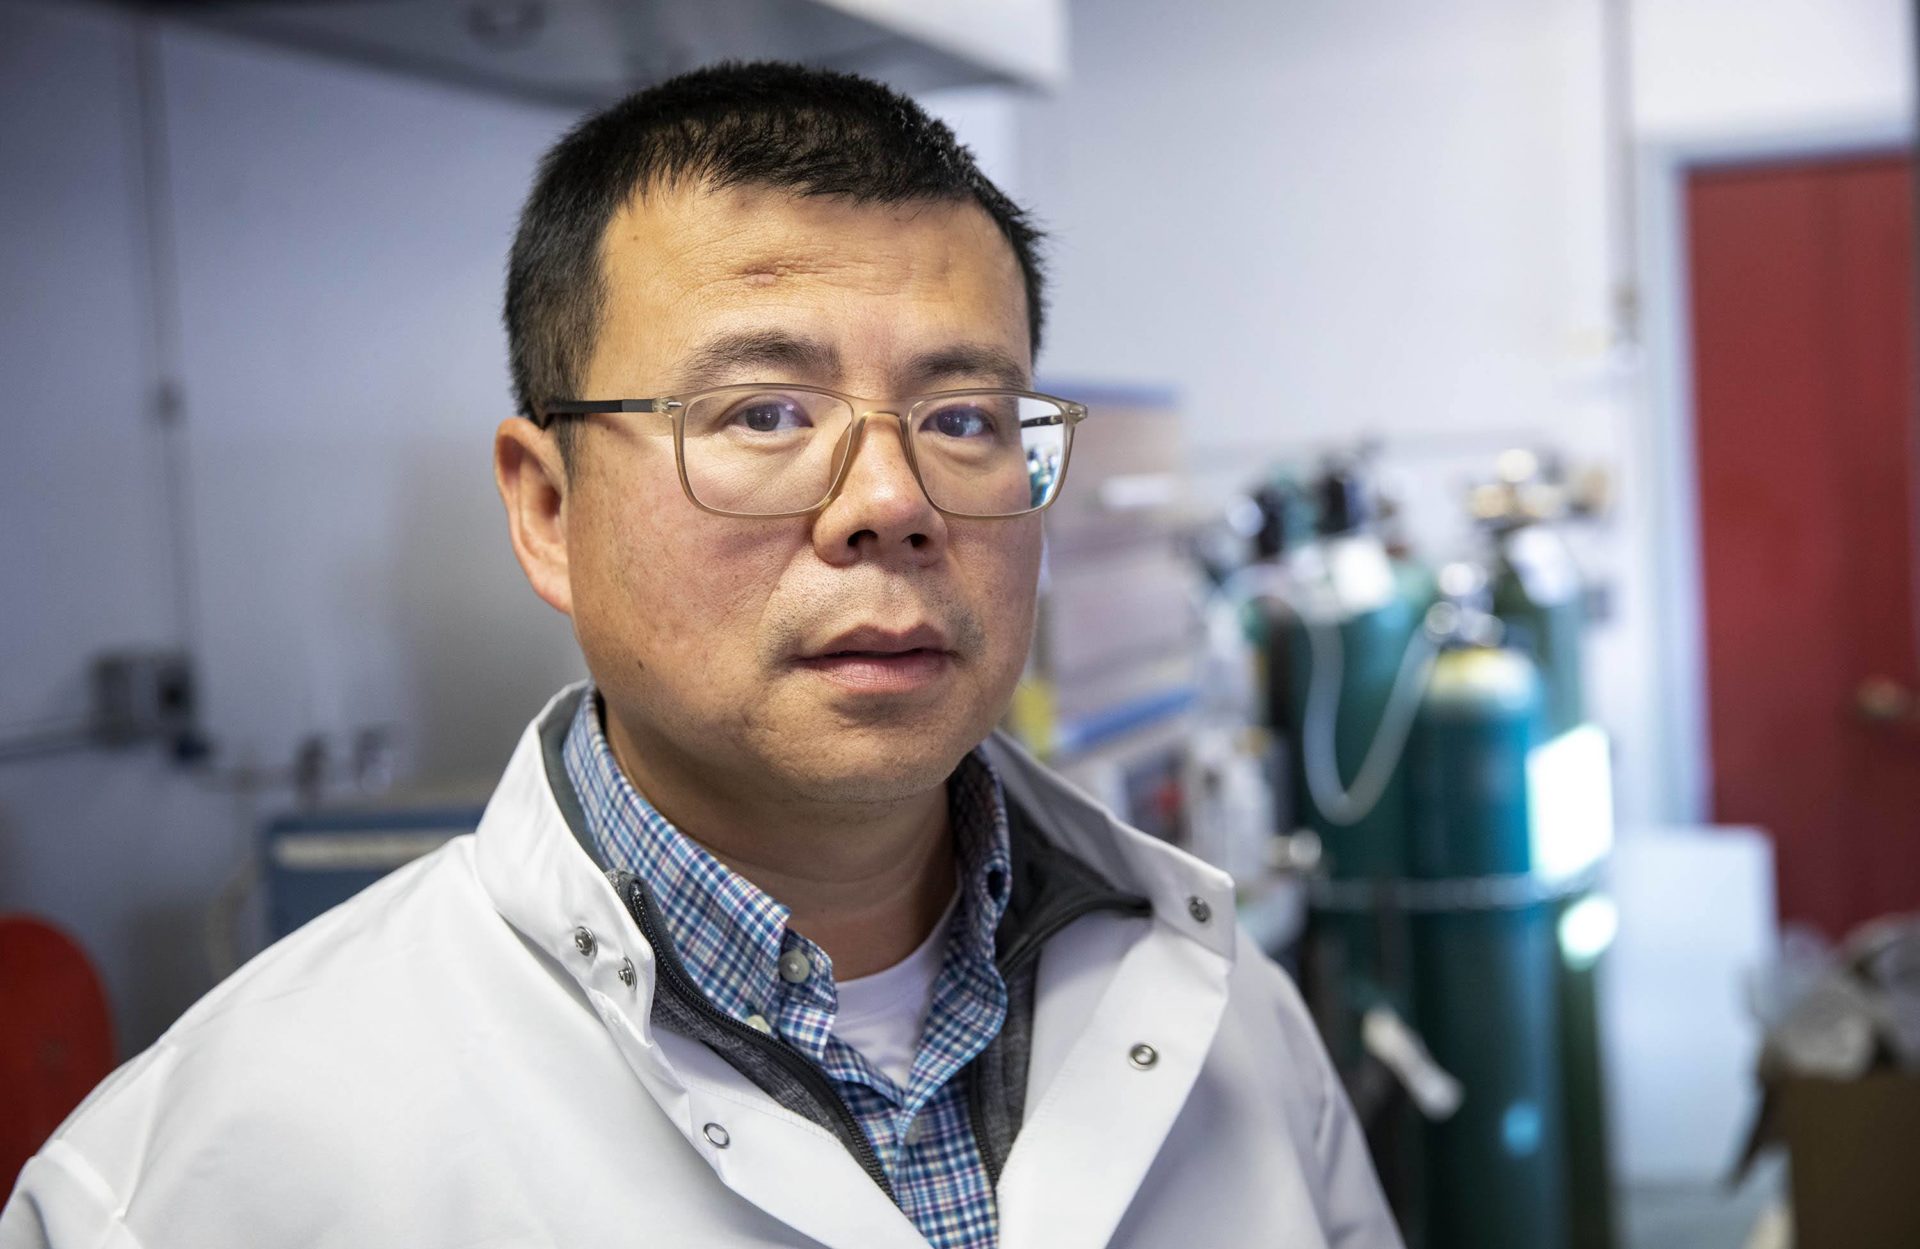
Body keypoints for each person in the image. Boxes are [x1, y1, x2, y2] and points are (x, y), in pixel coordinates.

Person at [1, 62, 1398, 1249]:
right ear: (548, 510)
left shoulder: (1231, 1021)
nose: (893, 502)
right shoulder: (195, 1182)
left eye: (966, 416)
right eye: (766, 411)